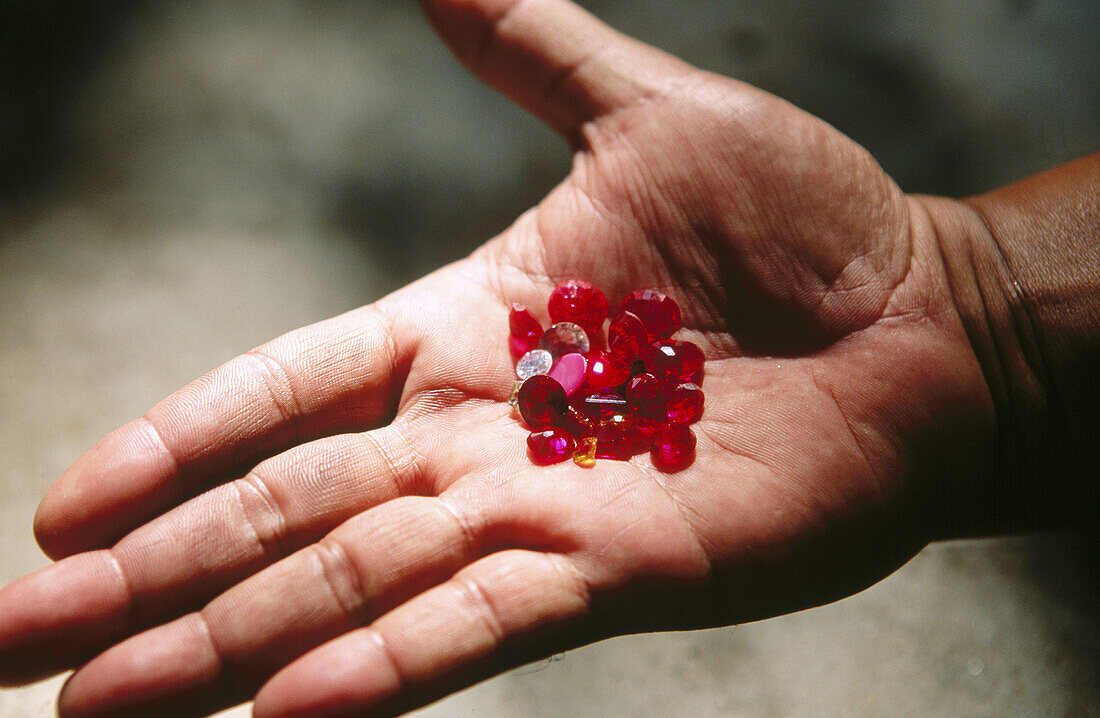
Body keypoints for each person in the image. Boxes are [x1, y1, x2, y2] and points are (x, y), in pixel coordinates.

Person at [0, 0, 1096, 716]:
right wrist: (974, 307)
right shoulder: (571, 372)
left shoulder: (603, 382)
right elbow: (572, 395)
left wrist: (977, 312)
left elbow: (597, 401)